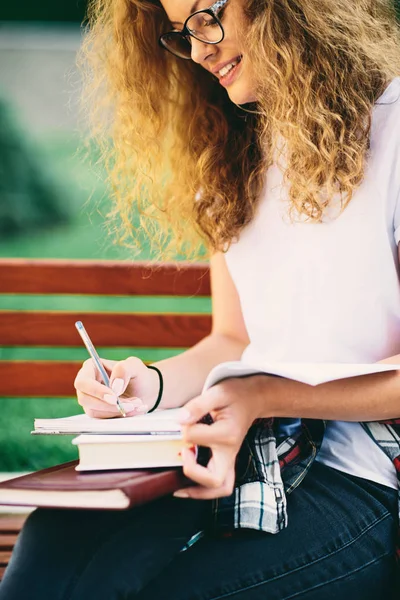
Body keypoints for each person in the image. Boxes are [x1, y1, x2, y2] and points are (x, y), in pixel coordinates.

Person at [2, 0, 400, 598]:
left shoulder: (394, 134)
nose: (198, 49)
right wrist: (146, 385)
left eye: (207, 15)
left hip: (364, 483)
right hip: (233, 455)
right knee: (54, 544)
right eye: (180, 31)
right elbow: (232, 340)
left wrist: (261, 395)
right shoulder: (233, 154)